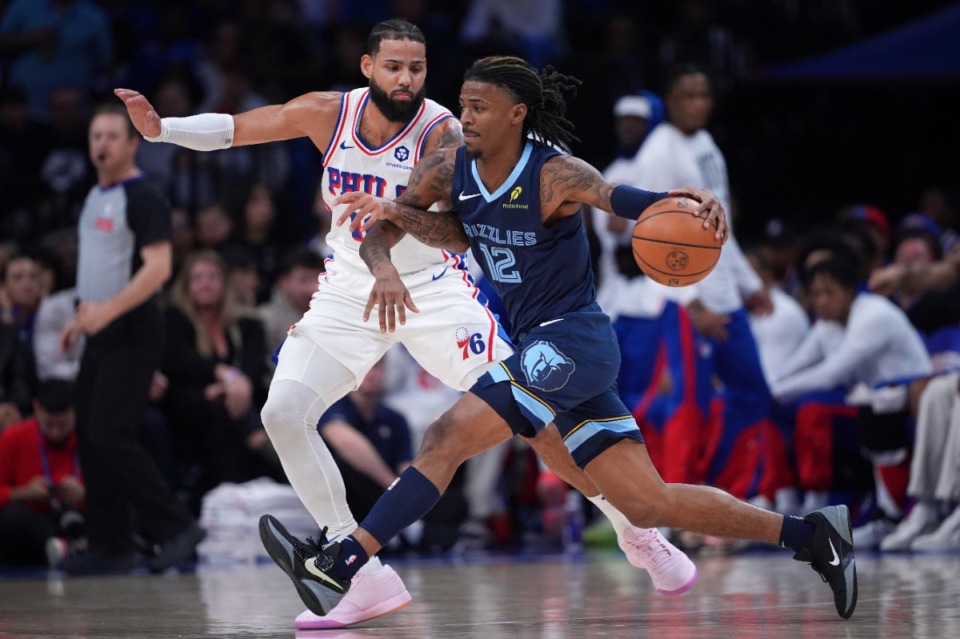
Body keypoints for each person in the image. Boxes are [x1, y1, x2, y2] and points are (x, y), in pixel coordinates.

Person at [114, 19, 692, 631]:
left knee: (533, 420)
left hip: (435, 291)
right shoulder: (326, 114)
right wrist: (162, 130)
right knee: (281, 413)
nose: (406, 78)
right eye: (393, 66)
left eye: (416, 67)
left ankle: (635, 529)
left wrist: (392, 237)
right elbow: (237, 130)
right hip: (347, 293)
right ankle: (358, 571)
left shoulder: (445, 133)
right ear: (367, 67)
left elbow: (460, 229)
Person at [258, 56, 858, 621]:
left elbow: (621, 201)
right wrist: (388, 242)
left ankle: (342, 562)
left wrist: (680, 202)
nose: (463, 116)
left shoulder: (554, 172)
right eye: (463, 104)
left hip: (575, 341)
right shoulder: (450, 166)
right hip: (543, 349)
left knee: (447, 435)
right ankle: (812, 534)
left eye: (480, 107)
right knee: (648, 502)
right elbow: (421, 229)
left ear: (517, 113)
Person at [59, 103, 204, 575]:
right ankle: (111, 543)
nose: (100, 144)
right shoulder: (94, 195)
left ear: (131, 144)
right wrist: (81, 317)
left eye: (110, 137)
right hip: (99, 328)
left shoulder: (143, 197)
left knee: (110, 433)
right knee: (91, 435)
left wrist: (105, 312)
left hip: (133, 330)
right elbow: (99, 268)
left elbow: (158, 269)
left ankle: (175, 527)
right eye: (95, 136)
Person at [0, 379, 84, 568]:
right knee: (11, 518)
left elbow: (117, 492)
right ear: (36, 408)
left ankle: (76, 546)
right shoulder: (14, 436)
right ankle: (70, 549)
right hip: (35, 522)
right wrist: (23, 493)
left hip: (79, 516)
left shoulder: (91, 437)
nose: (55, 433)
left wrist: (84, 494)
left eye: (62, 425)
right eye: (48, 425)